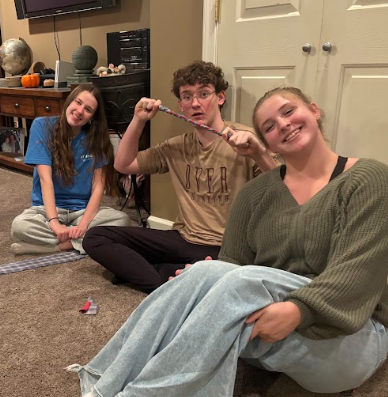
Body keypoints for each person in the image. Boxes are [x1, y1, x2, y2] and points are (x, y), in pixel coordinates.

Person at [47, 86, 388, 397]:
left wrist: (301, 309)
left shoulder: (370, 179)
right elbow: (231, 265)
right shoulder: (254, 195)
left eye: (288, 111)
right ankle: (103, 388)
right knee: (203, 273)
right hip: (270, 334)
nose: (282, 125)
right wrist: (194, 289)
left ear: (314, 110)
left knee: (237, 280)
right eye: (268, 125)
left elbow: (359, 276)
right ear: (268, 142)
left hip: (348, 336)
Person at [82, 61, 277, 292]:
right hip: (182, 238)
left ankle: (169, 275)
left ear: (220, 98)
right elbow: (124, 164)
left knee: (235, 278)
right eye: (187, 96)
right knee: (95, 237)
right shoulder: (176, 147)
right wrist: (139, 120)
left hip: (225, 248)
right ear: (180, 105)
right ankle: (168, 283)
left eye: (204, 94)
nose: (195, 103)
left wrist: (258, 153)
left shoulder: (247, 141)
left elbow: (284, 189)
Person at [10, 83, 131, 255]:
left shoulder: (96, 140)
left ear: (92, 118)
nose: (80, 111)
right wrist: (54, 222)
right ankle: (82, 243)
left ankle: (59, 246)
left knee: (122, 220)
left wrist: (82, 226)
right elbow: (46, 180)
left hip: (81, 211)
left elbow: (98, 187)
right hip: (46, 210)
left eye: (88, 109)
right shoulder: (42, 126)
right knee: (20, 226)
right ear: (68, 102)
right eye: (78, 102)